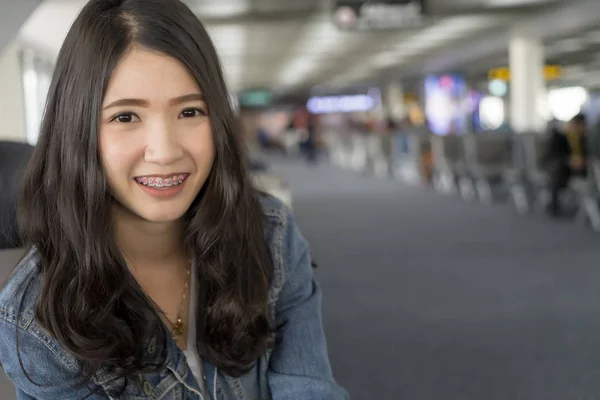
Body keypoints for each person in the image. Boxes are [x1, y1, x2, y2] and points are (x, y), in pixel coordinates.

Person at [0, 1, 348, 399]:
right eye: (126, 117)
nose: (164, 152)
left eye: (190, 111)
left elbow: (308, 388)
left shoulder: (269, 235)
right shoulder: (37, 316)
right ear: (76, 131)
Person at [545, 113, 588, 216]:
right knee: (558, 169)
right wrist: (569, 160)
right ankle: (554, 204)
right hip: (563, 168)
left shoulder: (584, 138)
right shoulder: (561, 136)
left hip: (581, 168)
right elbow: (554, 154)